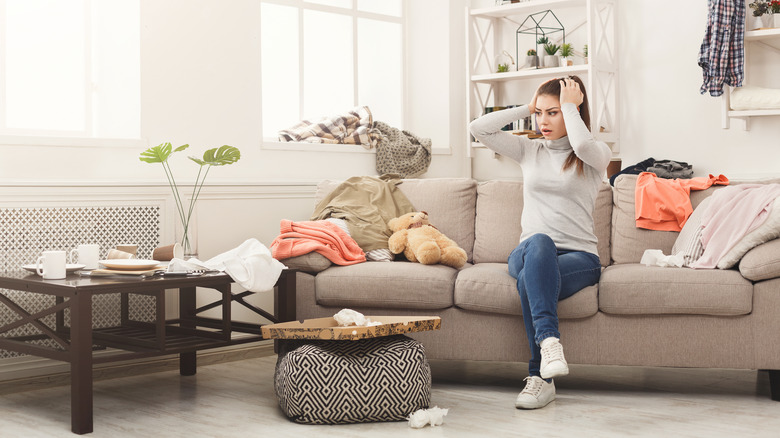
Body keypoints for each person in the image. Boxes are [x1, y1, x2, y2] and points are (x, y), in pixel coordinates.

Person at [469, 76, 611, 409]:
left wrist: (570, 106)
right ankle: (549, 343)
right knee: (540, 244)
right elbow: (478, 128)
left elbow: (584, 146)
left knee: (531, 283)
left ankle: (539, 378)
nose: (543, 122)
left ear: (573, 112)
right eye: (539, 113)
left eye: (554, 113)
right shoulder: (528, 149)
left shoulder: (594, 157)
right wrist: (525, 107)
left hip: (579, 258)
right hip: (529, 249)